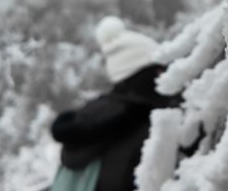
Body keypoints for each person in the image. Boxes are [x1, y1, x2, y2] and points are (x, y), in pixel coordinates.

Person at [49, 16, 178, 191]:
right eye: (160, 70)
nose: (166, 77)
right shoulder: (151, 126)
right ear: (145, 74)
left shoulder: (88, 115)